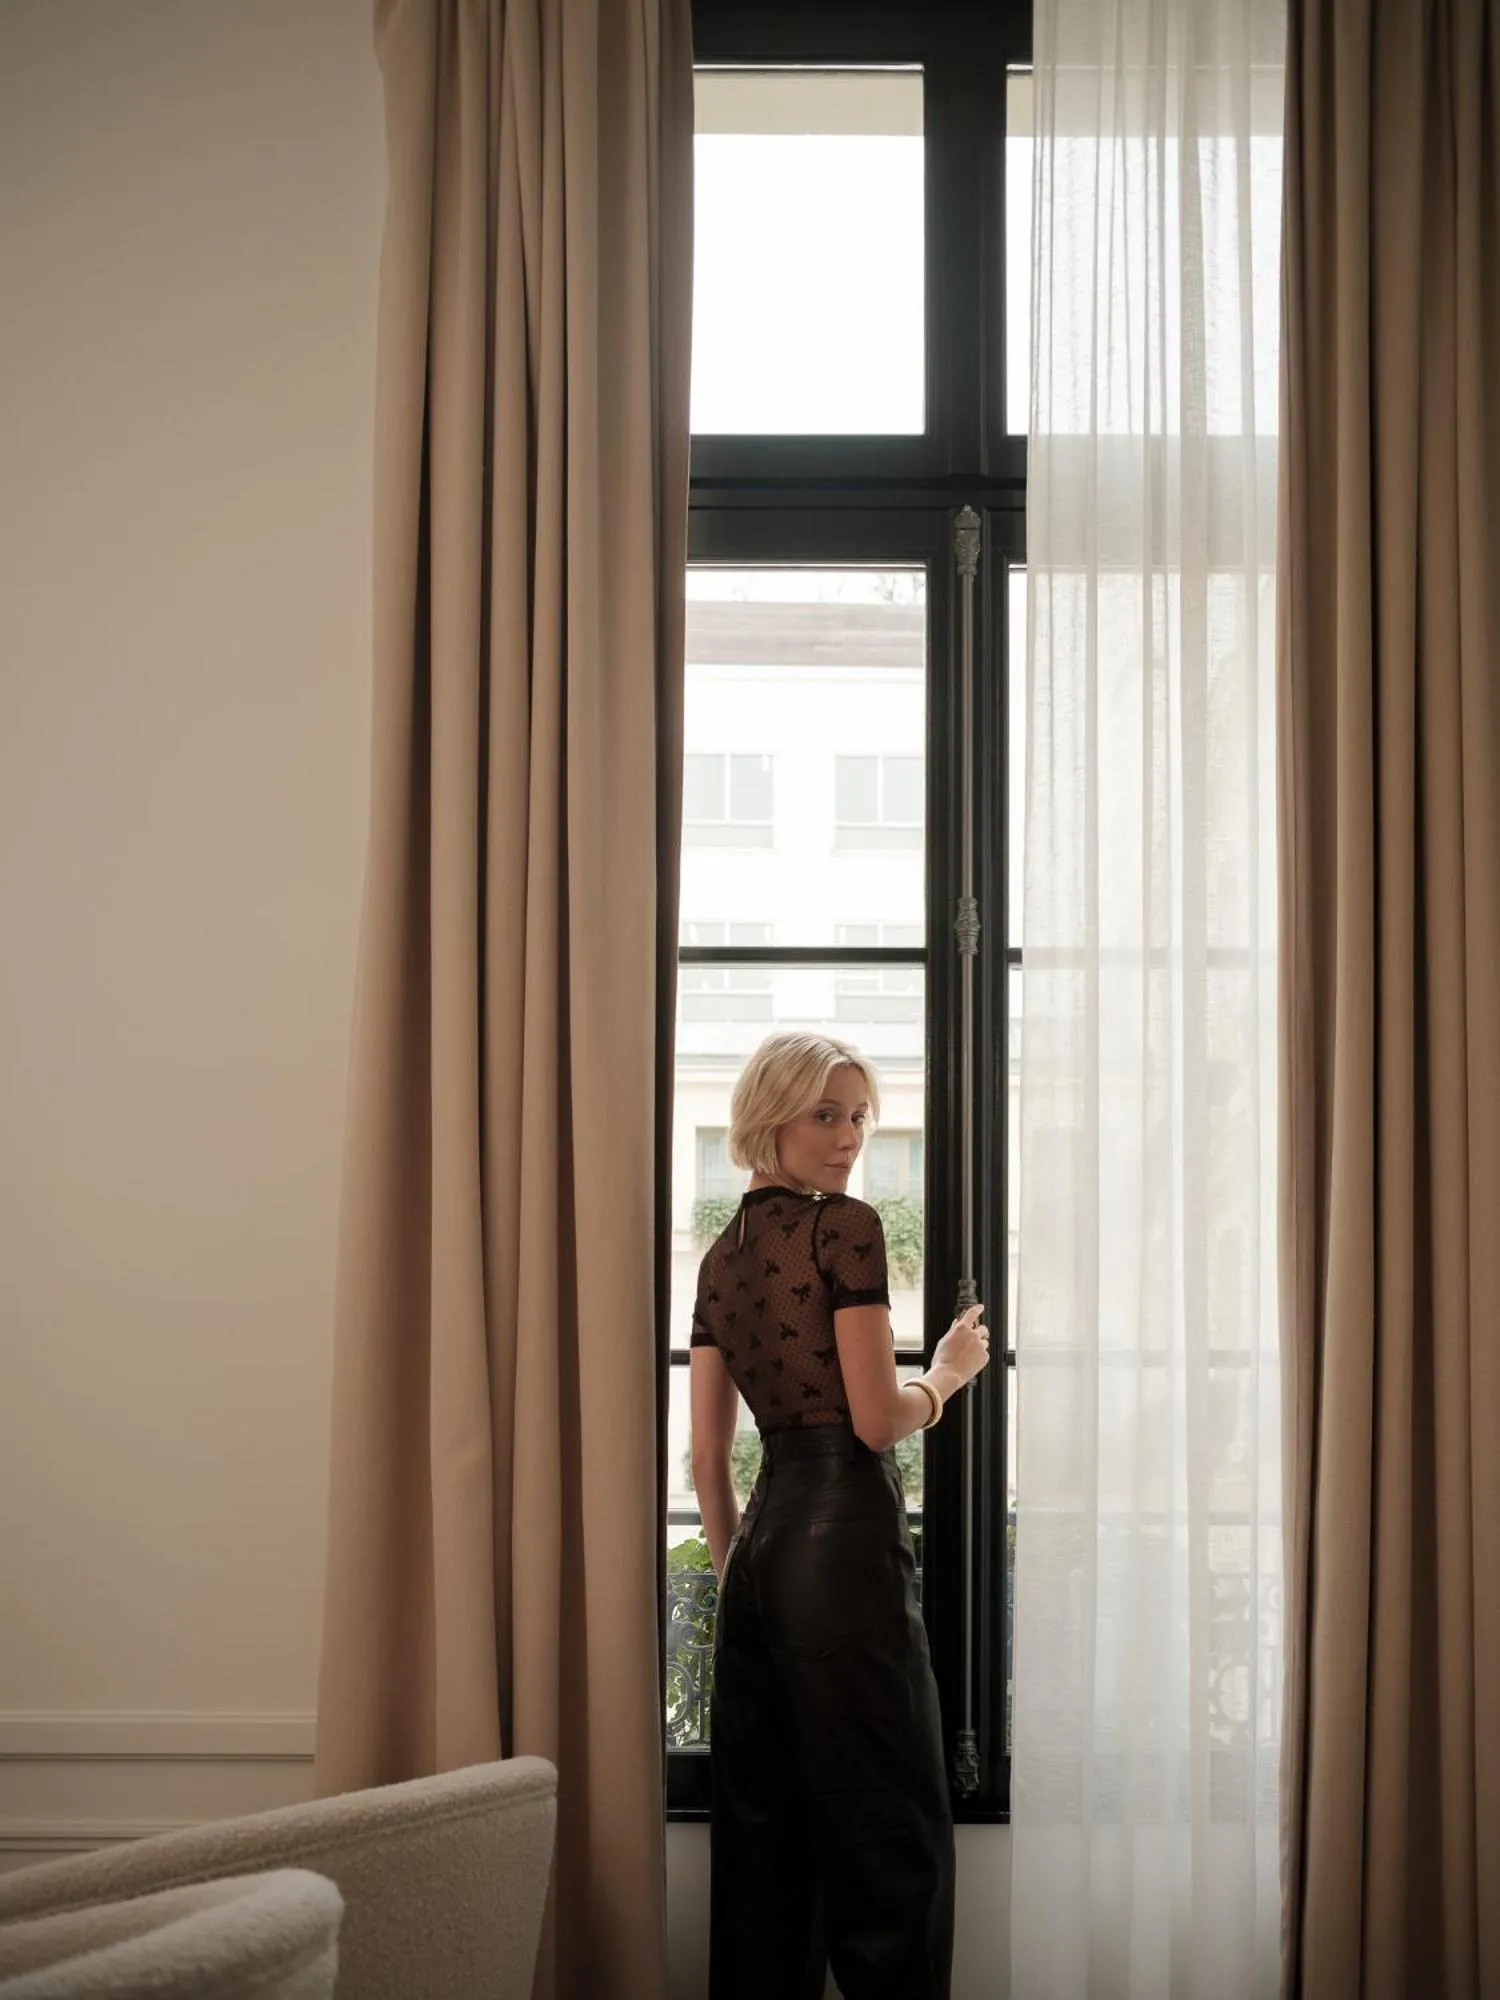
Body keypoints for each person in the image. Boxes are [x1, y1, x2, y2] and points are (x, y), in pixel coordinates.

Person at [689, 1029, 991, 2000]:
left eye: (859, 1113)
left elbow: (705, 1458)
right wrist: (945, 1376)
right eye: (826, 1113)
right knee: (890, 1842)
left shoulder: (718, 1261)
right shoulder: (845, 1227)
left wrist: (751, 1579)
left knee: (765, 1849)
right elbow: (872, 1419)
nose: (850, 1135)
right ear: (767, 1114)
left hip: (760, 1564)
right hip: (843, 1541)